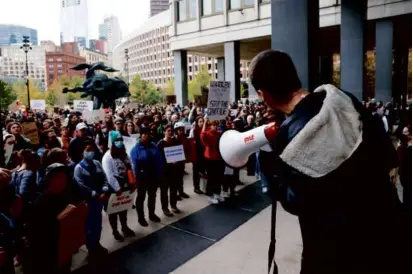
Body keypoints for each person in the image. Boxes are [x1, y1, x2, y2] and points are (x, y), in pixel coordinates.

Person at [249, 49, 408, 274]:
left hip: (337, 255)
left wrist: (266, 161)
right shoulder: (344, 100)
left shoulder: (287, 144)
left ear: (263, 95)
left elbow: (293, 201)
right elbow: (386, 153)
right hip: (390, 233)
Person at [23, 164, 82, 274]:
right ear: (49, 180)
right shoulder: (40, 202)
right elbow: (38, 233)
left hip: (64, 250)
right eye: (57, 178)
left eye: (64, 178)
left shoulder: (65, 197)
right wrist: (59, 218)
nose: (61, 182)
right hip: (46, 255)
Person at [74, 141, 110, 259]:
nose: (90, 153)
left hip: (99, 200)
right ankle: (91, 248)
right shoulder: (79, 168)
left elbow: (104, 177)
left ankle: (97, 243)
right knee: (89, 226)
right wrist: (95, 194)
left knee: (98, 224)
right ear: (82, 153)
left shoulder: (97, 163)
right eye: (87, 150)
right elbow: (80, 185)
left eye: (92, 150)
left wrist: (105, 189)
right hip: (88, 201)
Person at [102, 131, 136, 242]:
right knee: (113, 210)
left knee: (123, 207)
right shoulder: (108, 156)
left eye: (120, 140)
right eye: (117, 140)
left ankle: (124, 227)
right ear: (112, 142)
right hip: (114, 187)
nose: (119, 142)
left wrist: (132, 182)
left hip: (125, 183)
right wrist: (117, 188)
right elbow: (109, 174)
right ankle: (115, 231)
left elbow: (130, 166)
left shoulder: (124, 153)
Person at [130, 128, 163, 226]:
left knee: (152, 196)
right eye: (143, 134)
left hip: (153, 176)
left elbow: (159, 161)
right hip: (141, 177)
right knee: (141, 197)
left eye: (147, 134)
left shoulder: (153, 146)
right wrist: (136, 179)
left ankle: (152, 214)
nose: (145, 136)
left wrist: (159, 174)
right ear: (141, 135)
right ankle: (141, 218)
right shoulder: (135, 149)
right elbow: (134, 165)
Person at [157, 125, 182, 216]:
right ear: (164, 132)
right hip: (165, 171)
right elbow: (159, 159)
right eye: (168, 131)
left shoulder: (176, 141)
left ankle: (173, 205)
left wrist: (177, 161)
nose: (170, 132)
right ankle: (165, 208)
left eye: (171, 131)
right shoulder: (160, 144)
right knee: (164, 191)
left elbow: (179, 153)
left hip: (174, 170)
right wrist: (170, 163)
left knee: (173, 189)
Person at [200, 118, 225, 204]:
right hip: (210, 159)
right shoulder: (207, 133)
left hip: (218, 158)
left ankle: (217, 193)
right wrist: (205, 123)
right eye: (214, 125)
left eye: (216, 125)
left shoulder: (219, 133)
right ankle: (210, 195)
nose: (216, 127)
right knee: (211, 178)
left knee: (218, 177)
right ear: (210, 126)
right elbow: (202, 135)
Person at [174, 122, 191, 199]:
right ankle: (175, 193)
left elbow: (187, 148)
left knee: (180, 178)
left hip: (182, 160)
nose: (181, 131)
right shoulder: (174, 139)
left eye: (182, 129)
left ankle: (181, 191)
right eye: (179, 130)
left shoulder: (184, 138)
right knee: (175, 178)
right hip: (175, 162)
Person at [189, 116, 206, 194]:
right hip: (196, 155)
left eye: (203, 121)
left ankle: (204, 187)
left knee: (203, 172)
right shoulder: (194, 131)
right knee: (196, 172)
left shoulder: (205, 130)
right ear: (197, 122)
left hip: (204, 154)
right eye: (200, 121)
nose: (202, 123)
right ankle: (196, 187)